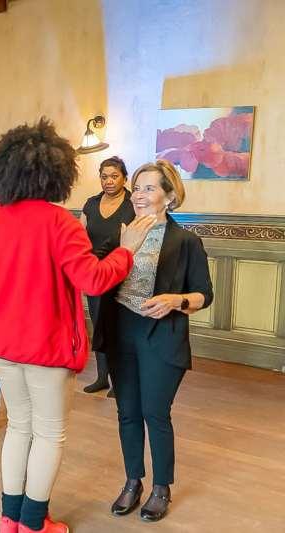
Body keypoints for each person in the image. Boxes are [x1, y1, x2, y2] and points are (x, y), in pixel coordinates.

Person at [0, 117, 155, 533]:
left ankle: (10, 520)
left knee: (18, 427)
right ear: (55, 171)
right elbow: (93, 280)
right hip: (46, 343)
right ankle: (33, 524)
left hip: (0, 340)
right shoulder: (61, 223)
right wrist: (126, 251)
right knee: (48, 434)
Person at [93, 160, 213, 523]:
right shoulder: (121, 234)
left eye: (149, 188)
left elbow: (204, 295)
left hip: (161, 335)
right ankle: (133, 481)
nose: (139, 195)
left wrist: (177, 300)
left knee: (155, 413)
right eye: (137, 188)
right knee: (127, 411)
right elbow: (95, 272)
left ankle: (162, 487)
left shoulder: (186, 241)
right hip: (121, 332)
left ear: (169, 195)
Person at [80, 156, 135, 396]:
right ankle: (102, 377)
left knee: (120, 329)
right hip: (95, 274)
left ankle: (120, 380)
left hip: (123, 273)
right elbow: (80, 237)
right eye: (104, 177)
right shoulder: (91, 204)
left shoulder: (133, 204)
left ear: (124, 178)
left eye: (114, 176)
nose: (109, 181)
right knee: (99, 325)